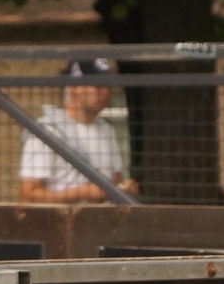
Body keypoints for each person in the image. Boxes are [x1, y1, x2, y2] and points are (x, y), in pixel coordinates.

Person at [17, 59, 136, 203]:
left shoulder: (107, 130)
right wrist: (81, 193)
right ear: (74, 87)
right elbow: (27, 196)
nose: (105, 92)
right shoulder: (47, 131)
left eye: (108, 86)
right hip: (61, 217)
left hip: (103, 217)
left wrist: (124, 189)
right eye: (98, 86)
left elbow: (116, 182)